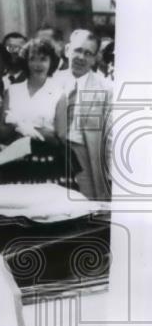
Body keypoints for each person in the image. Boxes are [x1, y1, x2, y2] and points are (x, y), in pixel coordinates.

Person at [0, 38, 69, 185]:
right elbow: (1, 130)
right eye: (32, 59)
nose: (37, 65)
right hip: (15, 160)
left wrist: (26, 128)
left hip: (46, 161)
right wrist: (22, 128)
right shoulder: (13, 90)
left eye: (43, 59)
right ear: (26, 62)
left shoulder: (59, 94)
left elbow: (60, 137)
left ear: (51, 62)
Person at [54, 29, 112, 200]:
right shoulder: (51, 81)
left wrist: (110, 176)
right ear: (67, 50)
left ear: (95, 58)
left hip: (85, 155)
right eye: (78, 50)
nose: (81, 57)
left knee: (87, 205)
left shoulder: (105, 88)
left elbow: (110, 137)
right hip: (53, 153)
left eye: (88, 53)